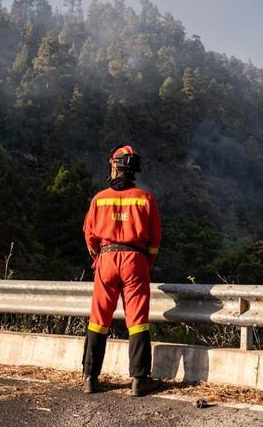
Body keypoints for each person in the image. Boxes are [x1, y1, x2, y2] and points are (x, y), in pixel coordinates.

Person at [81, 144, 162, 396]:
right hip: (135, 260)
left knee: (98, 319)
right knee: (137, 321)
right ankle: (139, 379)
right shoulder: (145, 199)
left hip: (106, 259)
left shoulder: (99, 199)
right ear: (134, 169)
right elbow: (155, 239)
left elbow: (89, 235)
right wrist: (145, 263)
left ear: (114, 165)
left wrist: (99, 257)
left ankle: (90, 377)